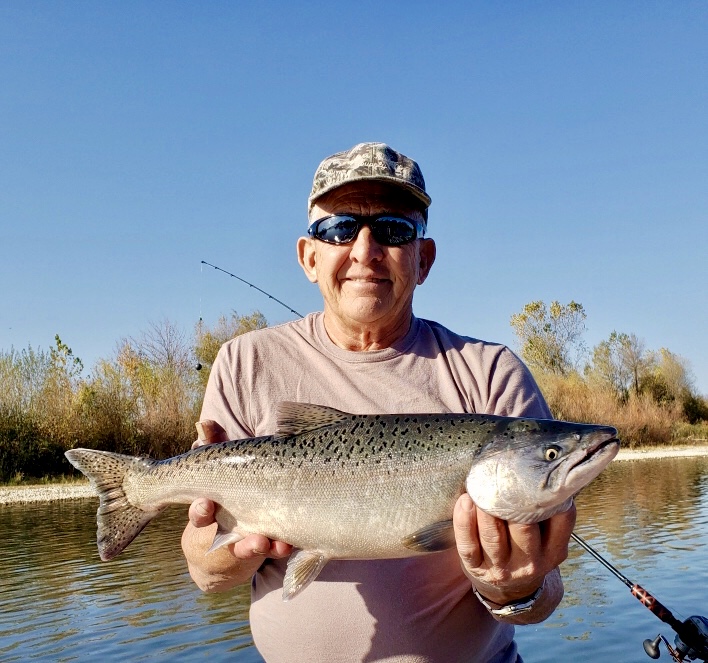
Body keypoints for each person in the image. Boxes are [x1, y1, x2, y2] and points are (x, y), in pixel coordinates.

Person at [181, 142, 576, 662]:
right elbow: (203, 572)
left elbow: (544, 597)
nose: (365, 251)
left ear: (424, 257)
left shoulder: (491, 373)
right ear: (309, 256)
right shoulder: (244, 362)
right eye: (340, 229)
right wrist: (227, 556)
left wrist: (514, 589)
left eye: (394, 230)